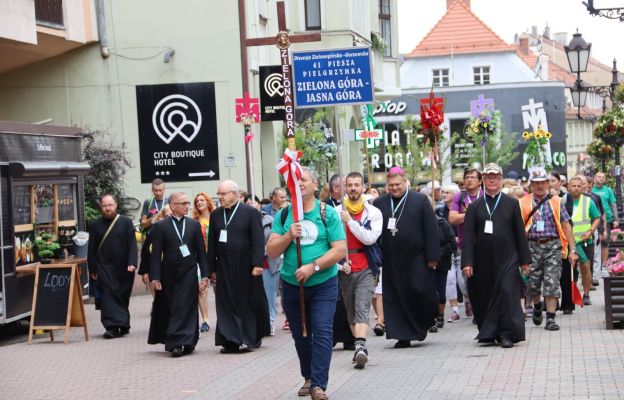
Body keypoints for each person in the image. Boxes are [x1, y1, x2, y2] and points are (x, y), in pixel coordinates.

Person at [267, 167, 346, 400]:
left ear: (315, 185)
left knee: (322, 331)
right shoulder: (284, 215)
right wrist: (288, 236)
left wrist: (314, 267)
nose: (299, 183)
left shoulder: (327, 213)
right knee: (301, 335)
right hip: (292, 285)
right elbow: (271, 251)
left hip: (323, 283)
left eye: (304, 180)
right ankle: (309, 376)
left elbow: (340, 249)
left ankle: (318, 386)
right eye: (295, 180)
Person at [462, 163, 531, 348]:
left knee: (508, 293)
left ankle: (507, 333)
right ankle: (490, 331)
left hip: (508, 257)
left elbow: (520, 233)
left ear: (500, 179)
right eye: (488, 177)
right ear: (483, 180)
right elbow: (467, 237)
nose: (492, 180)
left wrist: (525, 260)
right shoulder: (475, 206)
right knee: (485, 294)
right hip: (483, 259)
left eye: (495, 177)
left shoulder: (511, 203)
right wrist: (467, 262)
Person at [373, 167, 439, 348]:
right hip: (391, 259)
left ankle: (424, 321)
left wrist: (433, 256)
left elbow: (431, 229)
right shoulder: (379, 203)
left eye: (398, 184)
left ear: (405, 183)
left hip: (416, 257)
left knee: (418, 290)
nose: (394, 188)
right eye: (391, 185)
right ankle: (402, 335)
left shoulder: (419, 200)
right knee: (395, 297)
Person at [207, 180, 270, 354]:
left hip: (246, 266)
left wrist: (258, 263)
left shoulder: (250, 212)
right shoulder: (216, 214)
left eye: (223, 194)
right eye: (218, 194)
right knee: (225, 303)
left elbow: (258, 240)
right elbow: (212, 242)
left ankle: (250, 337)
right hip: (224, 266)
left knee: (247, 302)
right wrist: (210, 268)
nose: (220, 197)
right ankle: (230, 340)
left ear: (234, 194)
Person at [148, 192, 209, 357]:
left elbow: (201, 253)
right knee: (174, 307)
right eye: (183, 203)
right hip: (169, 273)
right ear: (173, 206)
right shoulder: (161, 226)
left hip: (189, 272)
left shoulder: (193, 225)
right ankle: (175, 342)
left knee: (188, 307)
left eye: (188, 203)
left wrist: (204, 275)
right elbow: (155, 255)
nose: (187, 206)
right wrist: (155, 277)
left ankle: (188, 341)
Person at [520, 167, 577, 332]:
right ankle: (537, 306)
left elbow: (567, 226)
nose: (540, 186)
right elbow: (517, 227)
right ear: (531, 184)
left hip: (552, 245)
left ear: (547, 183)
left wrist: (572, 250)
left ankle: (550, 318)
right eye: (536, 183)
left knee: (552, 282)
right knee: (532, 284)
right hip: (531, 246)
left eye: (543, 182)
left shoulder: (557, 201)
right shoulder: (522, 202)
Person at [337, 172, 382, 369]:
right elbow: (330, 243)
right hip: (345, 267)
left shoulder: (373, 213)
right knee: (351, 311)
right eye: (350, 185)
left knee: (362, 307)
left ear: (363, 187)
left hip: (366, 266)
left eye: (357, 185)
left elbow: (369, 238)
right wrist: (339, 264)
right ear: (345, 188)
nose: (353, 188)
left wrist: (350, 222)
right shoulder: (335, 211)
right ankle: (359, 348)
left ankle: (360, 346)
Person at [87, 194, 137, 339]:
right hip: (104, 267)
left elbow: (132, 244)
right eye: (105, 206)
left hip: (124, 267)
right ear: (101, 207)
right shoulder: (95, 225)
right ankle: (112, 327)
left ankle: (123, 324)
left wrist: (132, 263)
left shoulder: (126, 222)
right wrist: (93, 269)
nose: (108, 208)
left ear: (116, 205)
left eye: (110, 205)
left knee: (122, 296)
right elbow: (91, 250)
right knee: (108, 296)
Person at [448, 168, 481, 322]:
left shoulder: (484, 196)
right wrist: (471, 214)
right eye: (467, 177)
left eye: (473, 177)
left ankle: (478, 309)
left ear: (480, 181)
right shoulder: (459, 198)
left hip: (483, 244)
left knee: (482, 277)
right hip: (465, 244)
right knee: (464, 280)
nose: (469, 180)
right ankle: (468, 299)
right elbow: (453, 219)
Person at [247, 193, 283, 336]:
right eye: (247, 202)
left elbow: (275, 239)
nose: (251, 204)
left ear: (259, 204)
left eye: (253, 202)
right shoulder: (244, 220)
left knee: (269, 294)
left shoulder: (269, 220)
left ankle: (270, 321)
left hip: (268, 262)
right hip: (250, 264)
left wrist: (262, 251)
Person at [568, 176, 601, 305]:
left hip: (585, 240)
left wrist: (591, 231)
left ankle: (586, 294)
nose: (576, 188)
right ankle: (570, 294)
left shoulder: (588, 201)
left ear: (583, 188)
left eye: (578, 186)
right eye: (573, 186)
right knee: (570, 269)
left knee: (586, 266)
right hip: (569, 242)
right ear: (569, 187)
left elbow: (597, 218)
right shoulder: (563, 201)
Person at [192, 192, 215, 333]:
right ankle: (205, 320)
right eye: (197, 201)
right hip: (201, 258)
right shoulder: (195, 221)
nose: (199, 202)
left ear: (208, 201)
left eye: (202, 200)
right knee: (202, 289)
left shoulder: (216, 217)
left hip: (217, 258)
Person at [138, 205, 172, 297]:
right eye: (168, 215)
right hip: (156, 273)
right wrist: (145, 271)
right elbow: (145, 252)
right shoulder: (154, 232)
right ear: (162, 217)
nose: (170, 218)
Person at [591, 172, 617, 283]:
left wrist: (616, 218)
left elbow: (613, 204)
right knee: (595, 244)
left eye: (603, 177)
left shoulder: (608, 190)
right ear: (594, 178)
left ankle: (604, 266)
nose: (601, 178)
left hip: (607, 220)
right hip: (594, 220)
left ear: (605, 180)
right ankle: (594, 268)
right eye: (599, 177)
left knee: (605, 243)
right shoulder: (591, 191)